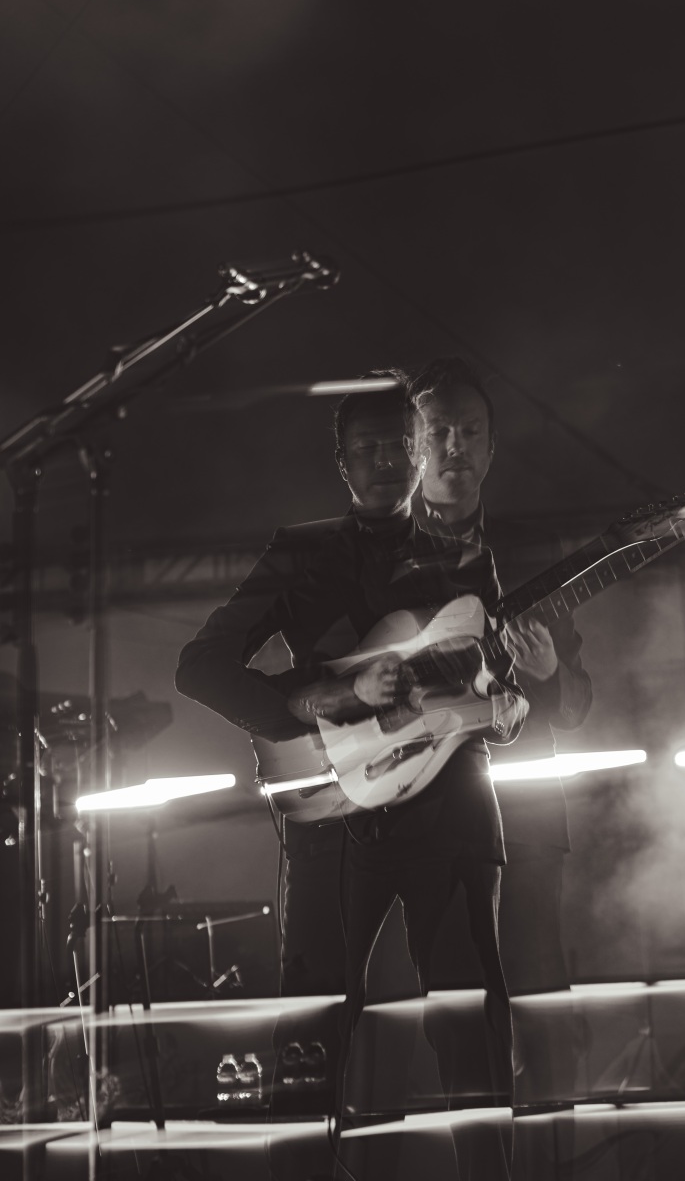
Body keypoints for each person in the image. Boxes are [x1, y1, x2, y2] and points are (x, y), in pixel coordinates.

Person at [174, 383, 526, 1166]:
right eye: (366, 448)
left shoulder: (465, 552)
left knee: (472, 1031)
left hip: (451, 810)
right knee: (313, 1034)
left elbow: (494, 693)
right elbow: (199, 665)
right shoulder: (302, 550)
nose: (386, 460)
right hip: (336, 812)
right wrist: (324, 698)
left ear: (421, 451)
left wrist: (508, 710)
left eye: (400, 444)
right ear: (340, 463)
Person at [406, 357, 592, 1003]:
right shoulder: (374, 556)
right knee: (451, 1014)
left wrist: (549, 672)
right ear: (413, 446)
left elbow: (576, 707)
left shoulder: (529, 556)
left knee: (539, 1005)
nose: (455, 446)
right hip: (423, 820)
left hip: (525, 826)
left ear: (491, 447)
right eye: (438, 432)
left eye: (470, 431)